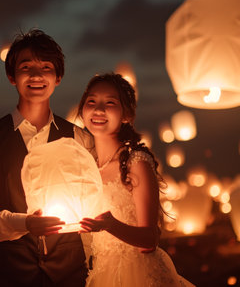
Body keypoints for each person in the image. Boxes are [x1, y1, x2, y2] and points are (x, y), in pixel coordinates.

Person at [0, 29, 91, 287]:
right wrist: (25, 223)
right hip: (11, 270)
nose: (36, 75)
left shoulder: (78, 138)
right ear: (12, 76)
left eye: (46, 67)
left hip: (69, 270)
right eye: (26, 67)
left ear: (58, 77)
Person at [78, 73, 194, 287]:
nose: (99, 109)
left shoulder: (136, 163)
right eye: (91, 101)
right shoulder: (87, 168)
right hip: (101, 274)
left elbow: (150, 240)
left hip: (139, 273)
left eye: (110, 103)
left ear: (126, 115)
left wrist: (111, 225)